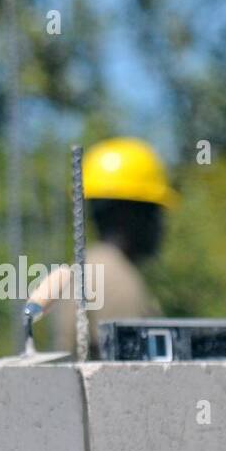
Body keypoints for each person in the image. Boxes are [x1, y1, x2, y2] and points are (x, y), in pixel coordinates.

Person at [51, 137, 178, 355]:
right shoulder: (115, 280)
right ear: (128, 214)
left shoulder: (89, 266)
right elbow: (133, 378)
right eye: (155, 212)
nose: (162, 226)